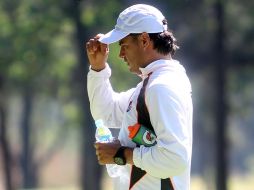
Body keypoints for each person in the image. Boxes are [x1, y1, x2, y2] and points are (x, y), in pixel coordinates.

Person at [86, 4, 193, 190]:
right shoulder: (152, 84)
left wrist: (120, 154)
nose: (120, 54)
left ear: (144, 40)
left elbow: (175, 159)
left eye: (124, 45)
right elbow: (105, 113)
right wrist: (98, 69)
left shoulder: (161, 88)